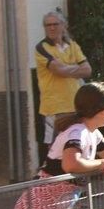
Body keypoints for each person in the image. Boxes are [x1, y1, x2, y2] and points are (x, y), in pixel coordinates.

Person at [35, 11, 92, 163]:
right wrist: (75, 68)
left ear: (63, 26)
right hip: (54, 107)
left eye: (55, 24)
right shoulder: (41, 47)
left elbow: (88, 70)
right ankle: (54, 182)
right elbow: (57, 70)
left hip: (75, 104)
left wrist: (66, 69)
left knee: (75, 143)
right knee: (54, 147)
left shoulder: (72, 45)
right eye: (48, 25)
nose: (52, 28)